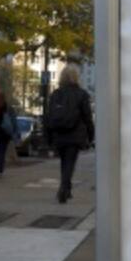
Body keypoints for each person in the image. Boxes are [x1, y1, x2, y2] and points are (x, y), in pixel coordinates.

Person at [44, 65, 94, 204]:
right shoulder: (82, 94)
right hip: (75, 134)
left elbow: (48, 117)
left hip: (59, 134)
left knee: (64, 162)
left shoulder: (56, 94)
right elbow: (87, 117)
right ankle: (64, 189)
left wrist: (48, 137)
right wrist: (91, 135)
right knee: (70, 163)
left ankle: (67, 187)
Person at [0, 99, 17, 176]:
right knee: (2, 151)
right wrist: (14, 132)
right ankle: (0, 169)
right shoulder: (9, 109)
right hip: (6, 133)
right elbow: (14, 121)